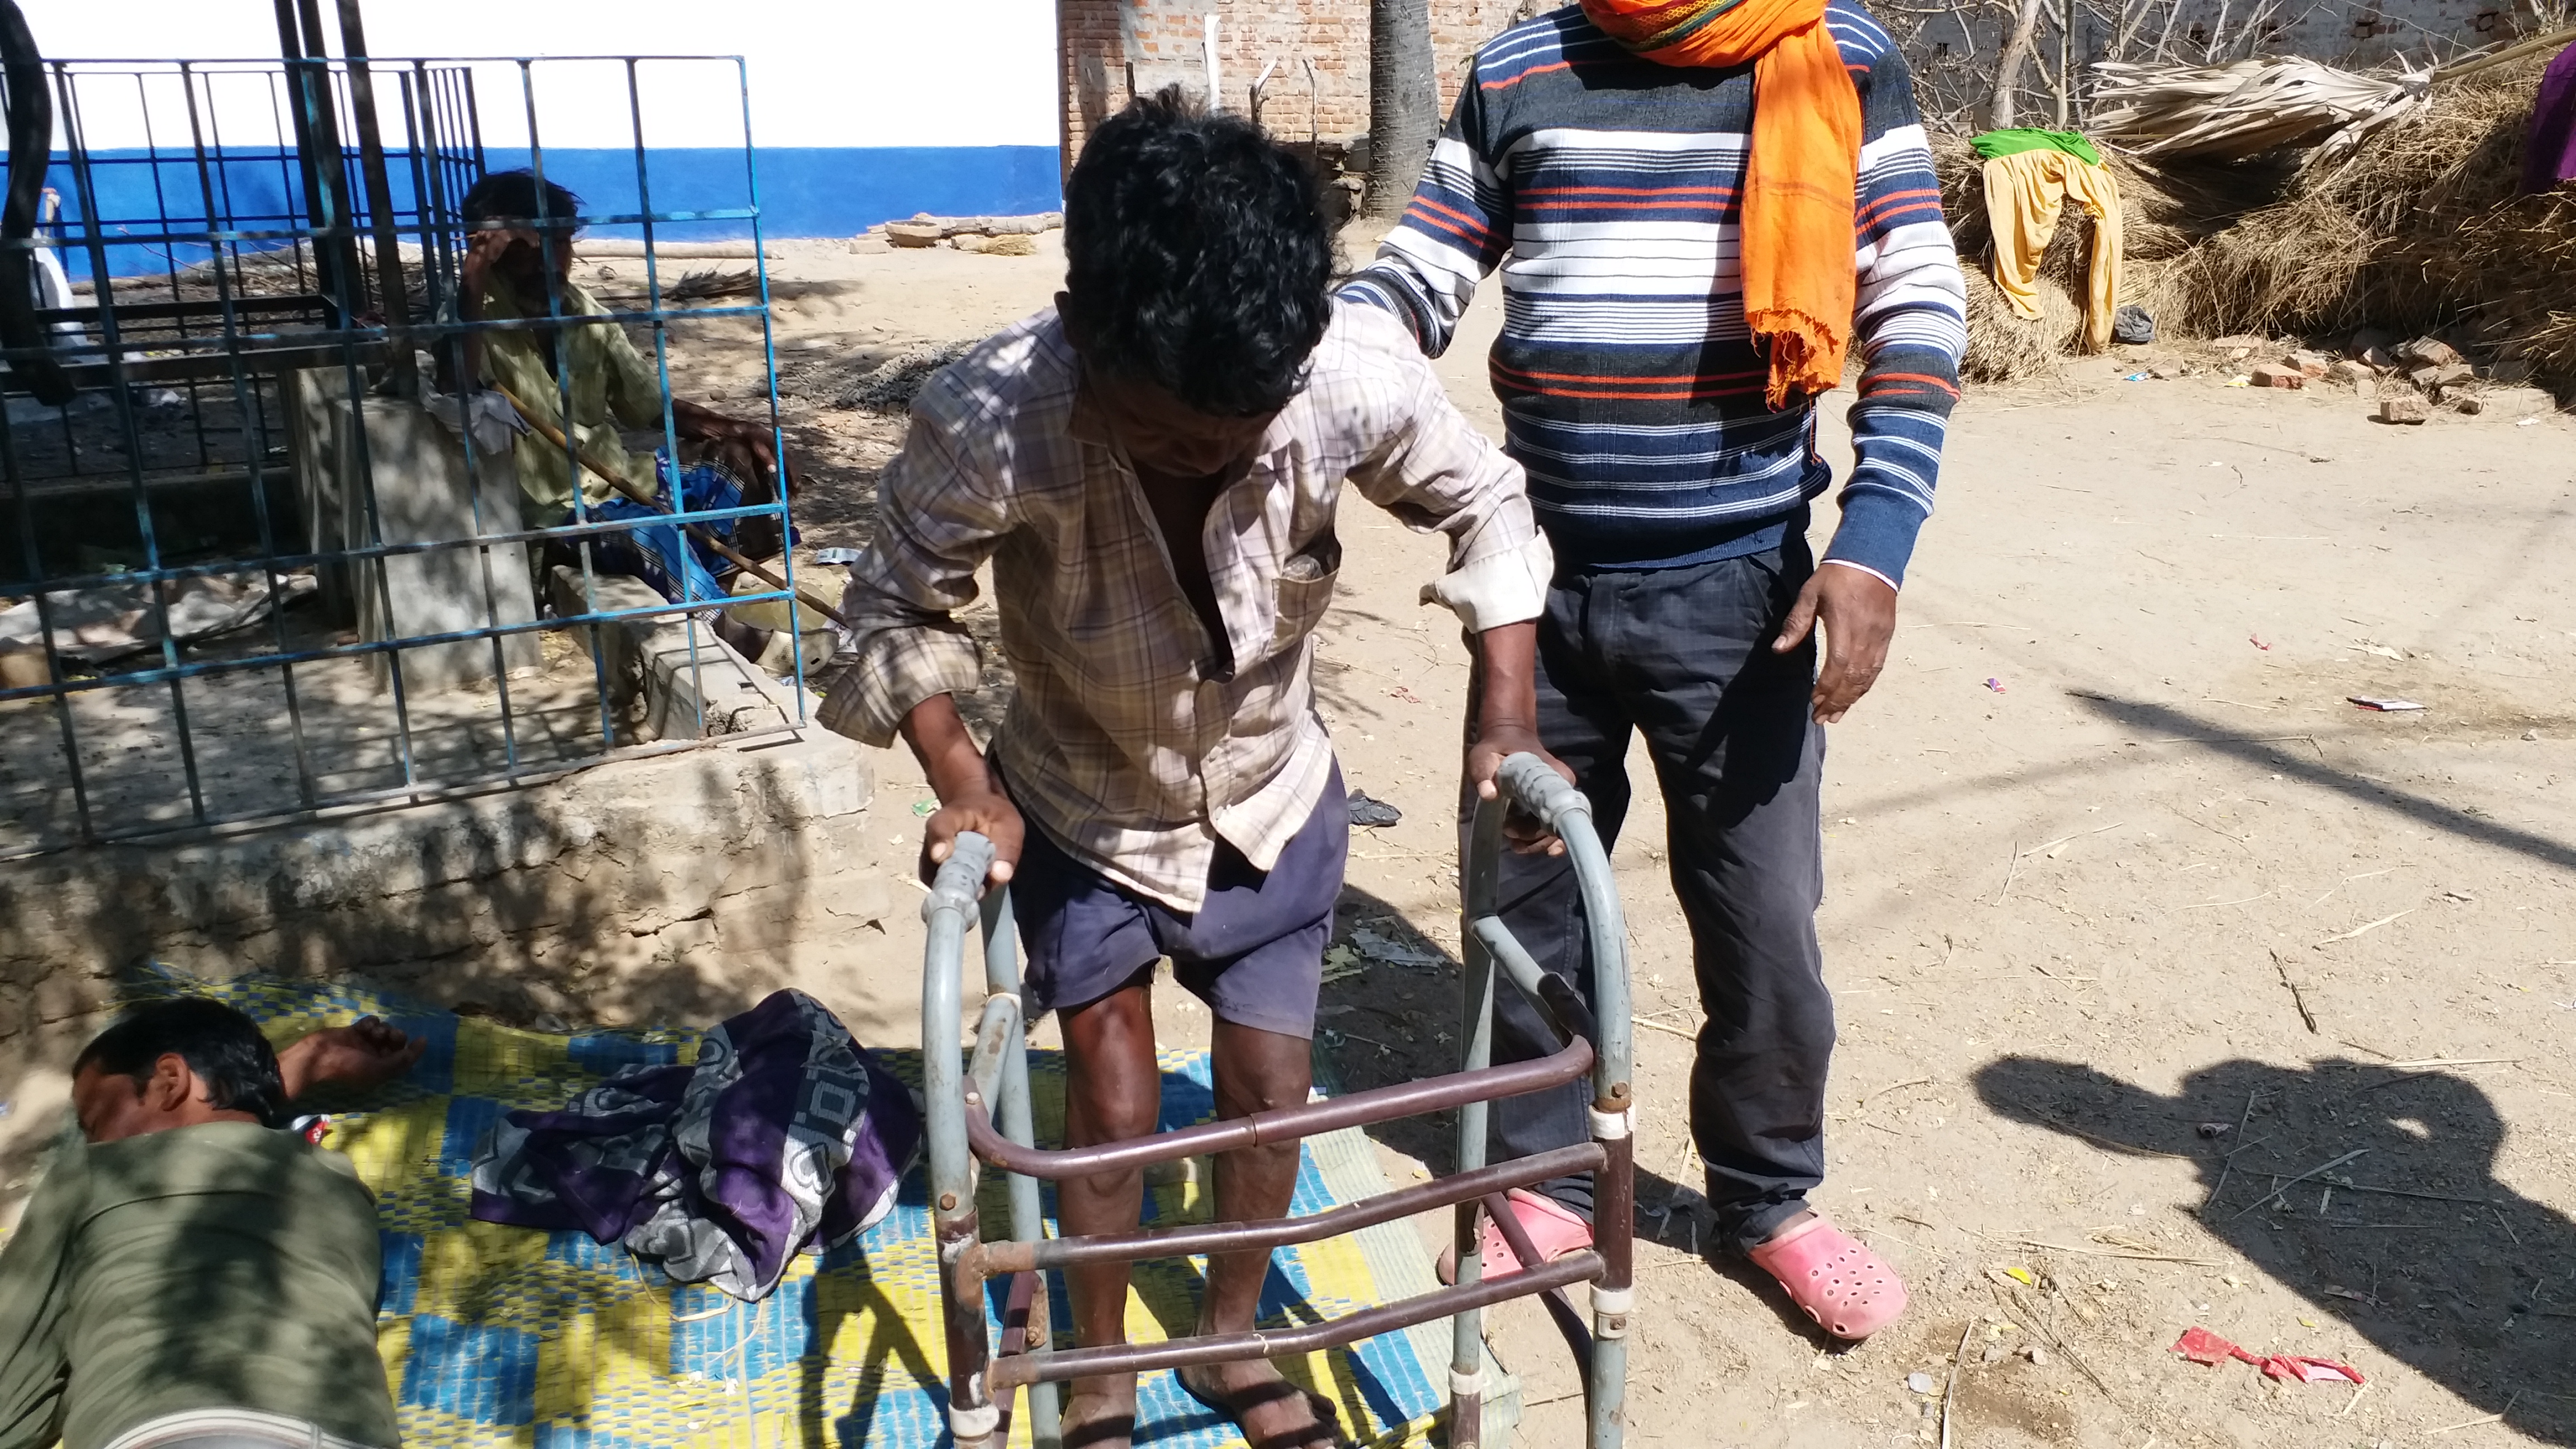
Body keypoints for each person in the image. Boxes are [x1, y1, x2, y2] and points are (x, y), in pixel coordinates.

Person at [822, 90, 1563, 1449]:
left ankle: (1231, 1338)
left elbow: (1487, 500)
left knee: (1269, 1091)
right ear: (1084, 332)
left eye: (1236, 433)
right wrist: (957, 775)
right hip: (1081, 800)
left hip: (1276, 799)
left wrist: (1504, 713)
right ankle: (1100, 1370)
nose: (1208, 458)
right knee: (1109, 1096)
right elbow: (887, 608)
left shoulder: (1342, 373)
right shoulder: (996, 414)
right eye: (1167, 435)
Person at [1341, 0, 1967, 1342]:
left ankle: (1767, 1198)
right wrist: (1305, 362)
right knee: (1525, 890)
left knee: (1760, 918)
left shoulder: (1838, 57)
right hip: (1532, 583)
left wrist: (1875, 543)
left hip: (1744, 593)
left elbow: (1915, 302)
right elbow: (1416, 278)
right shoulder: (1519, 64)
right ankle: (1542, 1167)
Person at [0, 998, 424, 1449]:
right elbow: (225, 1124)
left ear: (169, 1079)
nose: (93, 1142)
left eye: (95, 1122)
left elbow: (11, 1401)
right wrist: (296, 1066)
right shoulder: (339, 1181)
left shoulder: (97, 1171)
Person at [454, 168, 793, 612]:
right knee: (653, 534)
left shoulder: (585, 313)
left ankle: (711, 593)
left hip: (623, 487)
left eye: (561, 244)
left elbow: (652, 408)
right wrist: (474, 273)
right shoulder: (467, 322)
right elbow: (451, 389)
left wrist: (740, 429)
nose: (551, 263)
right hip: (556, 519)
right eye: (528, 249)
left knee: (739, 462)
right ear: (492, 250)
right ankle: (733, 636)